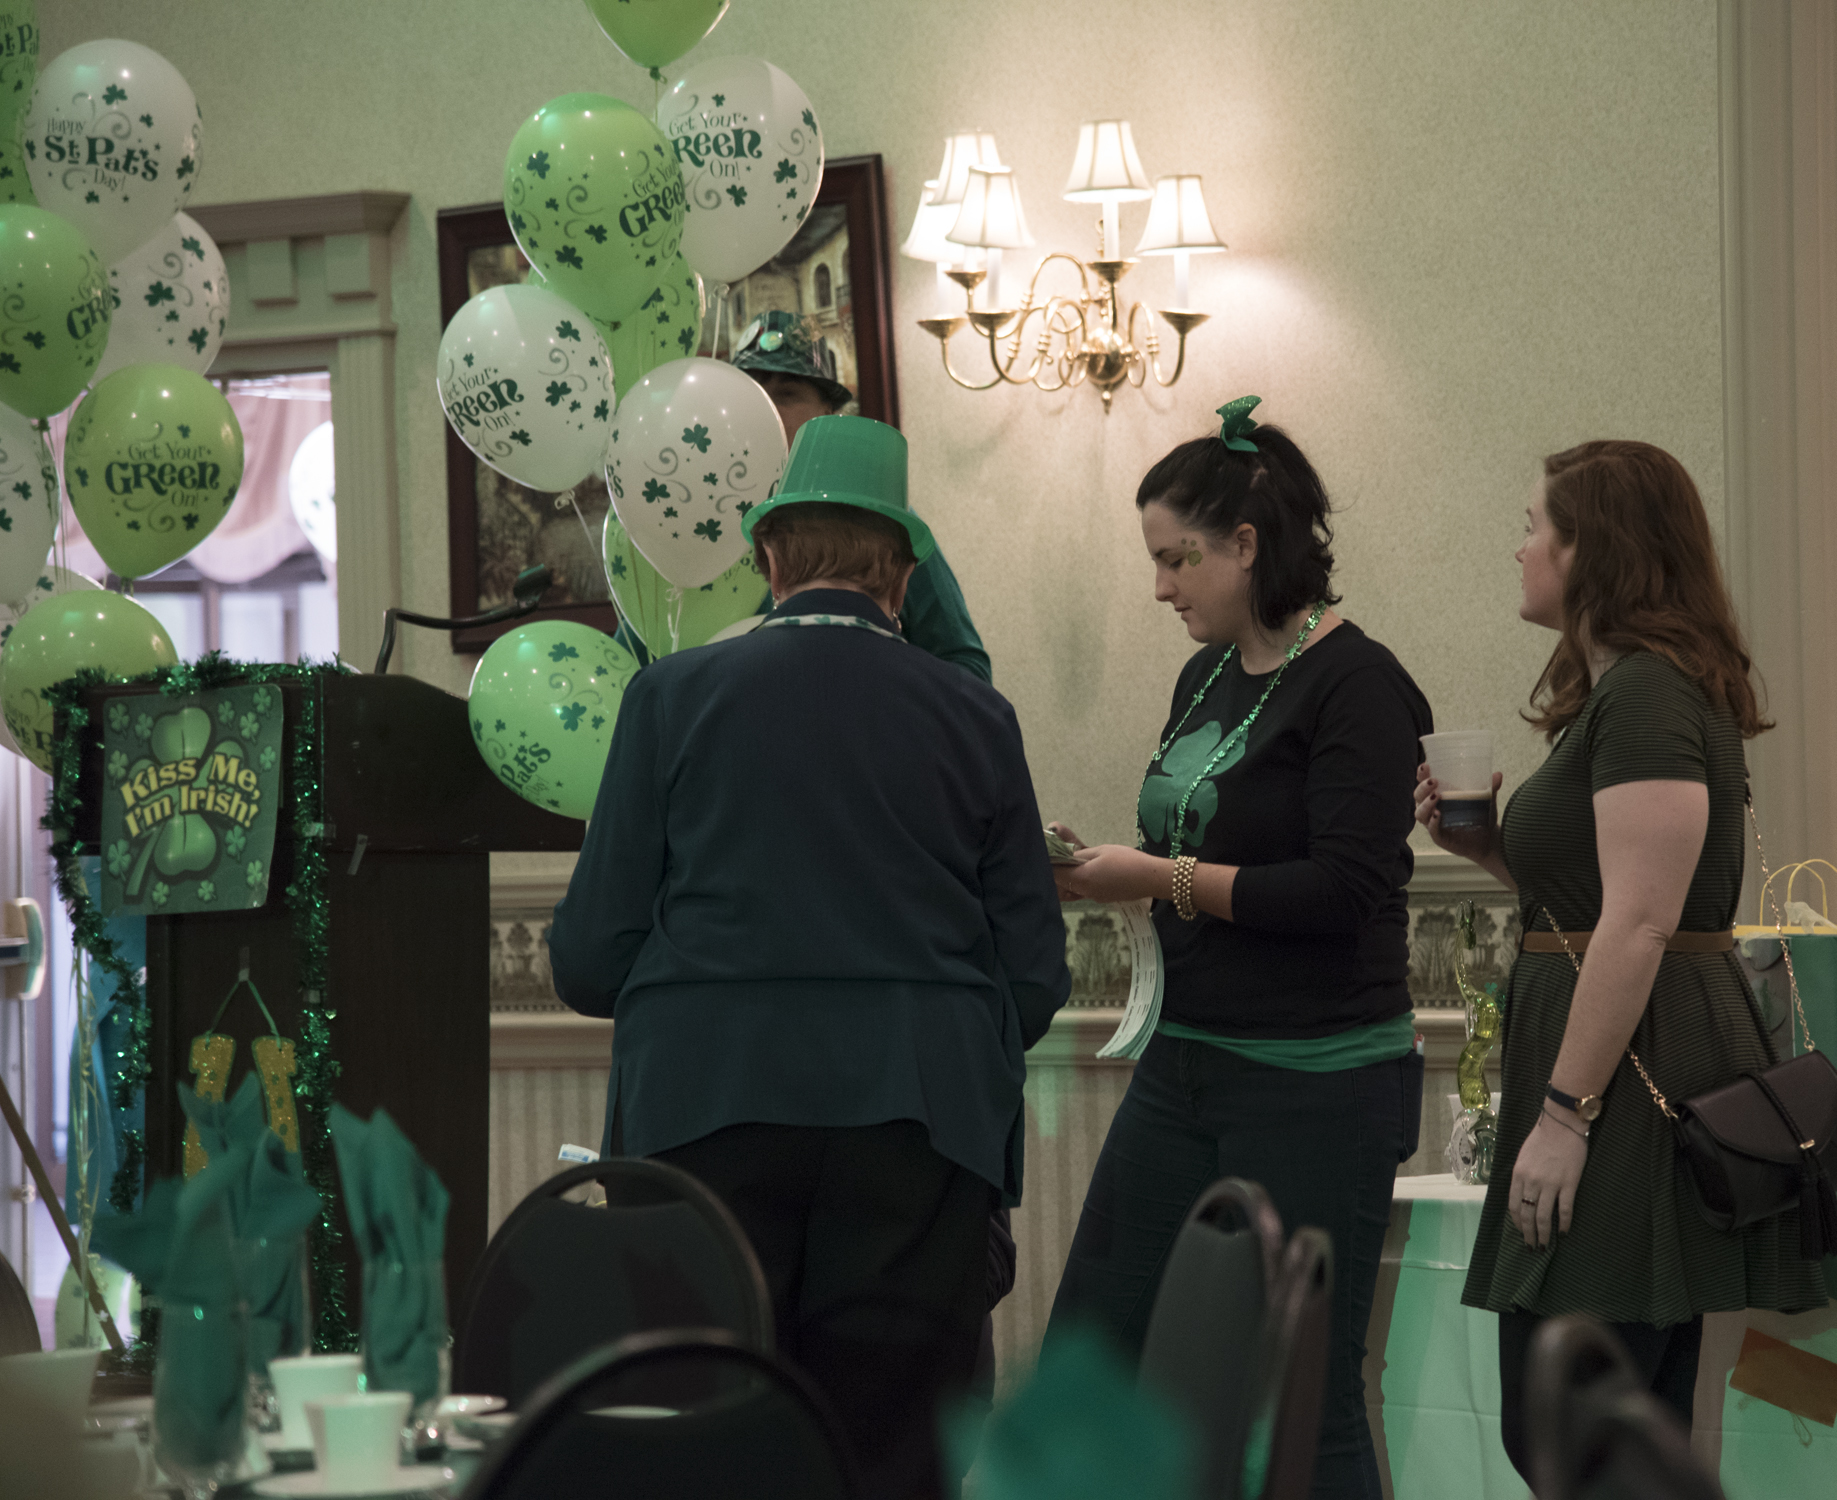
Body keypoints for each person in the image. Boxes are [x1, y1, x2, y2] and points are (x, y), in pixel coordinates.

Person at [549, 414, 1071, 1500]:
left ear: (769, 557)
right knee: (892, 1454)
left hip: (701, 1109)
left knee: (707, 1447)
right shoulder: (977, 716)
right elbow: (1032, 976)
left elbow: (590, 959)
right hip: (919, 1121)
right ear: (904, 573)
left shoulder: (669, 697)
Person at [1045, 397, 1432, 1500]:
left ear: (1247, 545)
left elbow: (1342, 890)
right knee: (1093, 1355)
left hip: (1316, 1084)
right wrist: (1101, 869)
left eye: (1174, 559)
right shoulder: (1207, 677)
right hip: (1185, 1067)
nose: (1159, 588)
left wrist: (1153, 877)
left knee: (1300, 1397)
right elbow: (1200, 849)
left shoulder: (1359, 684)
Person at [1419, 439, 1828, 1479]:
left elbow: (1642, 922)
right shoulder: (1625, 693)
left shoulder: (1646, 693)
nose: (1518, 549)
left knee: (1576, 1428)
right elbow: (1602, 902)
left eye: (1532, 527)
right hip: (1618, 1062)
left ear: (1590, 548)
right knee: (1603, 1429)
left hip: (1624, 1078)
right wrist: (1488, 848)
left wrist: (1565, 1119)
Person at [613, 310, 989, 680]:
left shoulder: (878, 522)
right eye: (754, 391)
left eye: (787, 394)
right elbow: (629, 666)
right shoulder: (685, 512)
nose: (766, 407)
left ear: (827, 411)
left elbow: (965, 667)